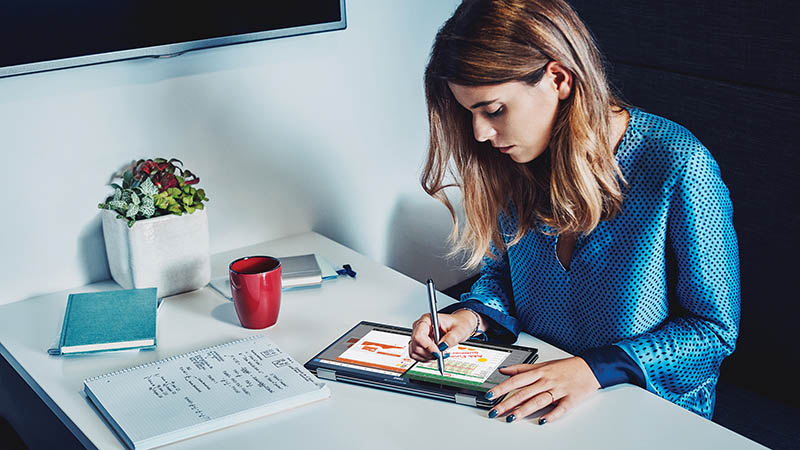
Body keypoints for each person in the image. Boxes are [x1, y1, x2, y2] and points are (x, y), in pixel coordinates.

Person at [408, 0, 740, 425]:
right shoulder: (518, 162)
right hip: (534, 397)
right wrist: (470, 317)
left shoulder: (678, 163)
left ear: (558, 78)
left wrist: (592, 370)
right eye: (469, 113)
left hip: (647, 415)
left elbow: (712, 331)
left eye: (493, 110)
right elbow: (504, 276)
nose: (480, 133)